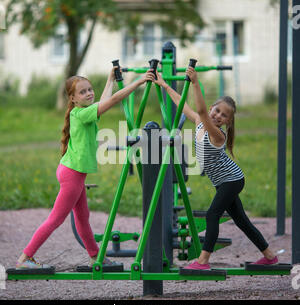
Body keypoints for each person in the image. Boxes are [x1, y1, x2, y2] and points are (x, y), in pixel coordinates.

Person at [16, 67, 155, 269]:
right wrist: (139, 82)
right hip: (72, 175)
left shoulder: (83, 112)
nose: (89, 93)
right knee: (56, 219)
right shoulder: (81, 114)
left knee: (82, 218)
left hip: (73, 173)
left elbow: (105, 101)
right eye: (83, 92)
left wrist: (110, 79)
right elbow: (113, 101)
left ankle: (95, 257)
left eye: (90, 89)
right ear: (72, 98)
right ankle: (24, 258)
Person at [154, 67, 278, 270]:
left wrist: (195, 83)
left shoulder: (217, 134)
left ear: (228, 122)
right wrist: (165, 86)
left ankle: (203, 261)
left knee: (213, 215)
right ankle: (269, 256)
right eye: (217, 110)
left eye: (224, 115)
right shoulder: (199, 123)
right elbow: (183, 104)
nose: (219, 116)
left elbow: (201, 112)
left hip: (232, 180)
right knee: (242, 221)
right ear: (212, 108)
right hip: (223, 182)